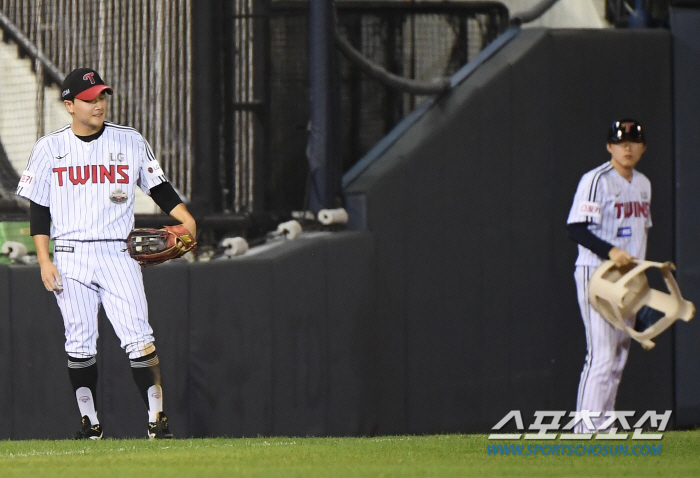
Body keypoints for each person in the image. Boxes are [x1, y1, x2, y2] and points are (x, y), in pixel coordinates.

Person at [16, 67, 196, 440]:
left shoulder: (128, 140)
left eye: (101, 96)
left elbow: (159, 188)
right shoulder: (49, 148)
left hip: (118, 251)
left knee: (139, 337)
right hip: (69, 253)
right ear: (69, 105)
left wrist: (186, 219)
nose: (98, 104)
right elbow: (39, 209)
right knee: (79, 342)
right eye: (89, 99)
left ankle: (157, 421)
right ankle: (89, 423)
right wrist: (44, 260)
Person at [566, 118, 651, 433]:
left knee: (617, 358)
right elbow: (575, 228)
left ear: (642, 147)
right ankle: (586, 430)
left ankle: (603, 426)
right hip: (597, 273)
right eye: (620, 142)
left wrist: (640, 288)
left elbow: (639, 236)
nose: (626, 147)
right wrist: (610, 250)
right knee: (601, 354)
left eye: (633, 141)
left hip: (630, 280)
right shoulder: (596, 180)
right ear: (609, 147)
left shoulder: (643, 184)